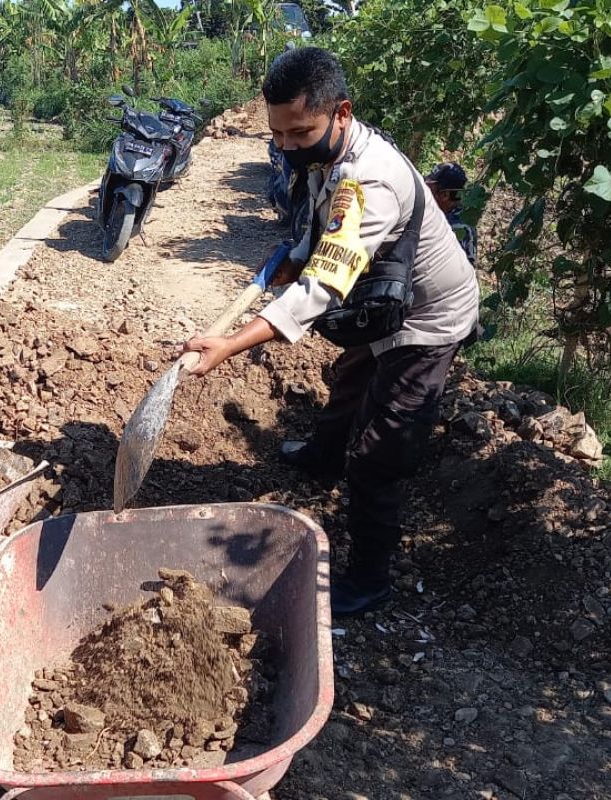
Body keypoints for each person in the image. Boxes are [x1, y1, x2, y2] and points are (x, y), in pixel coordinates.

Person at [182, 47, 479, 616]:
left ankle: (369, 580)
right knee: (348, 379)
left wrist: (232, 343)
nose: (289, 146)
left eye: (300, 132)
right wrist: (292, 255)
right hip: (384, 299)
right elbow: (319, 232)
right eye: (279, 135)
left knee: (378, 455)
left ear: (341, 113)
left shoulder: (372, 179)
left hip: (428, 318)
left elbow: (323, 287)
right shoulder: (329, 159)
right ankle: (323, 455)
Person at [425, 162, 477, 266]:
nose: (425, 190)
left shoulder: (457, 228)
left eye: (429, 187)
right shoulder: (447, 215)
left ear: (444, 195)